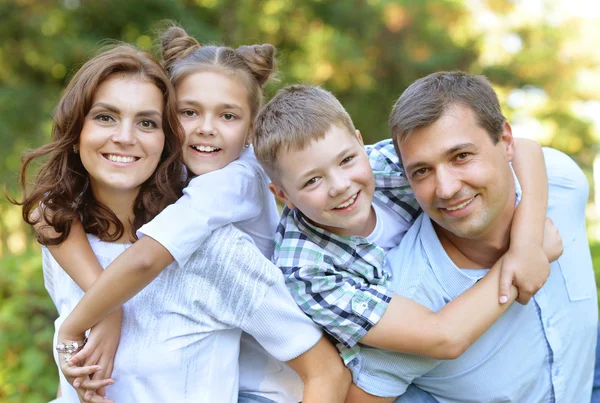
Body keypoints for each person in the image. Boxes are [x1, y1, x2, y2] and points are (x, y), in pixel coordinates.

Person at [13, 44, 347, 403]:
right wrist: (103, 312)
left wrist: (88, 319)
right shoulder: (67, 235)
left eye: (146, 122)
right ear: (75, 131)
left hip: (267, 381)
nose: (125, 136)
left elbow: (326, 373)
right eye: (105, 117)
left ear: (165, 138)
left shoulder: (218, 232)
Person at [251, 84, 561, 402]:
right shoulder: (305, 268)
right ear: (283, 195)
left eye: (346, 160)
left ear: (360, 143)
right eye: (313, 180)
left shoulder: (383, 162)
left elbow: (523, 148)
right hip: (392, 373)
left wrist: (526, 242)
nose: (340, 186)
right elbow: (442, 338)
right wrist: (516, 265)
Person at [351, 70, 596, 401]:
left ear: (505, 141)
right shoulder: (410, 302)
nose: (447, 189)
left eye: (461, 156)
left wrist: (526, 244)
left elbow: (531, 149)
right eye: (422, 171)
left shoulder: (562, 183)